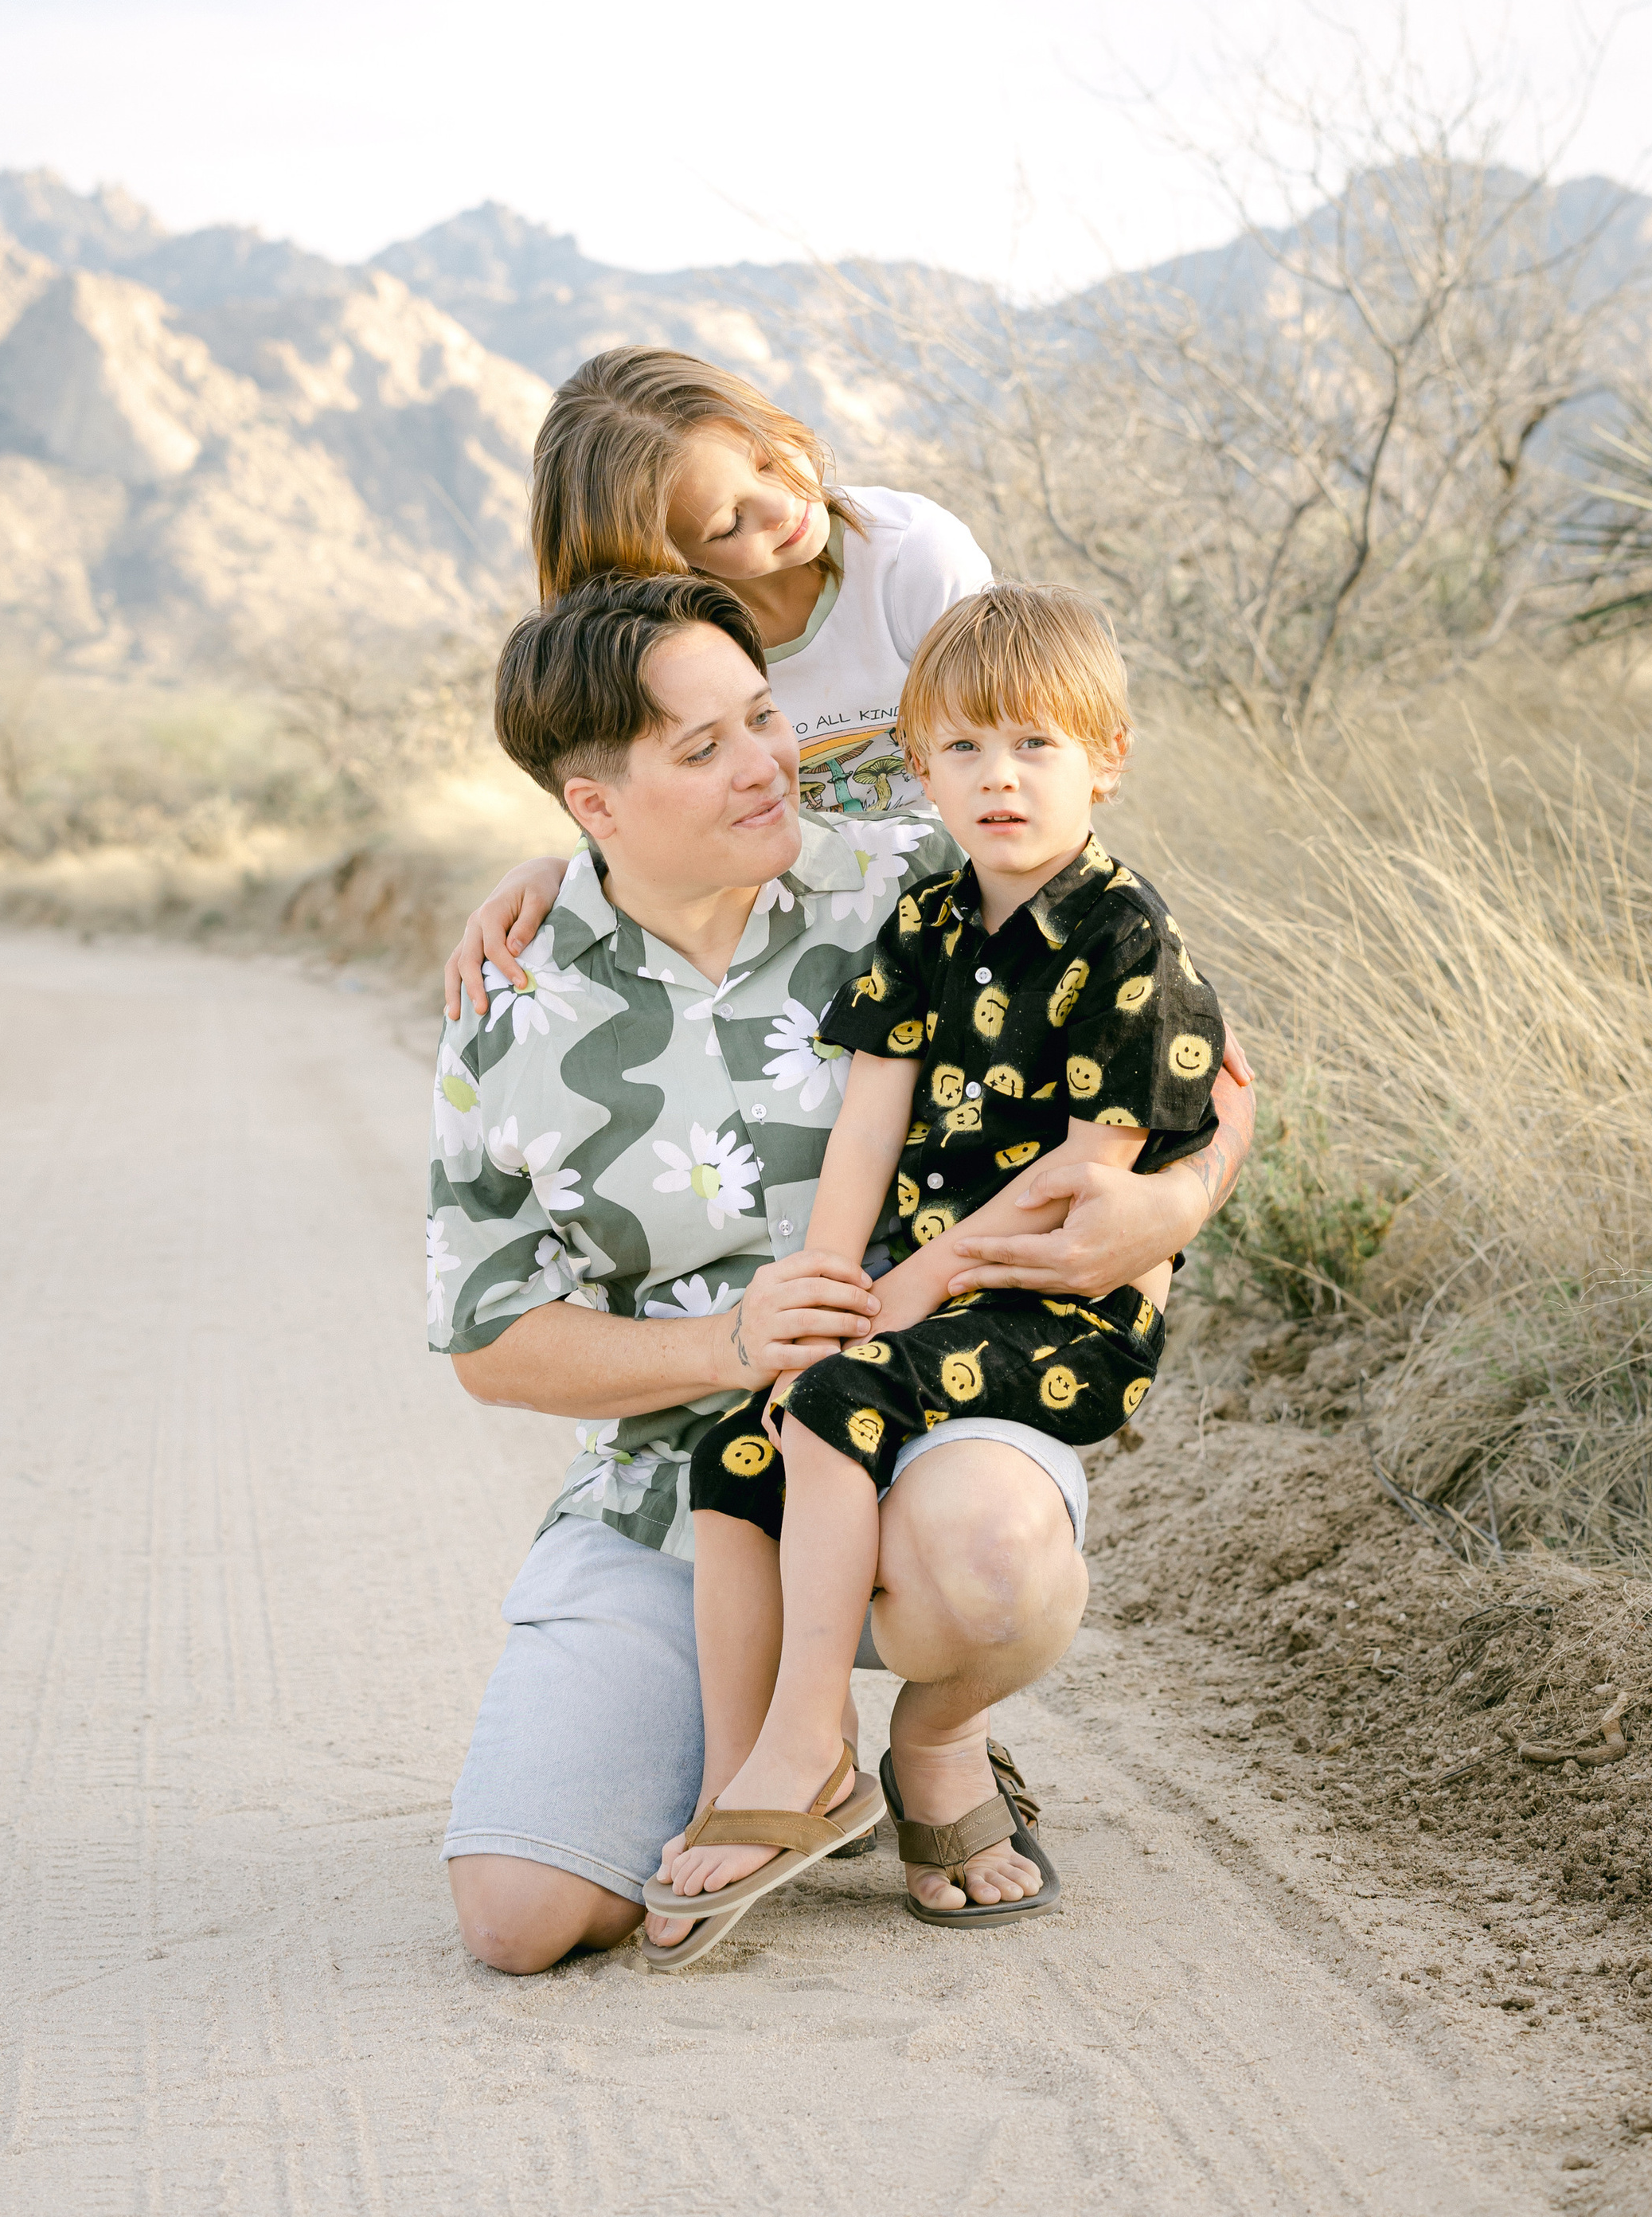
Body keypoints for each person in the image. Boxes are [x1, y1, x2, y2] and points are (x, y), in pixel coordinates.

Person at [428, 569, 1256, 1972]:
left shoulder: (905, 876)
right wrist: (723, 1350)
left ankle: (938, 1745)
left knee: (991, 1565)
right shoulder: (516, 1009)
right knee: (518, 1923)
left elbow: (1209, 1064)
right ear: (594, 808)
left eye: (762, 716)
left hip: (938, 1424)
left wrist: (1171, 1201)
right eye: (706, 750)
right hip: (674, 1488)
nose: (769, 763)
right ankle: (760, 1771)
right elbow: (491, 1342)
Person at [647, 585, 1224, 1961]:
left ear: (1109, 757)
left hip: (1053, 1308)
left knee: (840, 1403)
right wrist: (824, 1292)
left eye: (1034, 746)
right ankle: (750, 1777)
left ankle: (813, 1743)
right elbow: (869, 1126)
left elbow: (1093, 1169)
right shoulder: (925, 922)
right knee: (744, 1448)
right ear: (920, 772)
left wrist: (929, 1277)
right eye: (962, 751)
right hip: (924, 1300)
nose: (1000, 778)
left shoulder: (1124, 935)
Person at [439, 343, 994, 1026]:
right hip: (789, 949)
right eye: (729, 523)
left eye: (765, 459)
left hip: (969, 909)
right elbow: (642, 806)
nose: (782, 504)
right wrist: (565, 871)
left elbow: (1019, 760)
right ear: (663, 560)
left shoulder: (913, 562)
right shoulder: (669, 651)